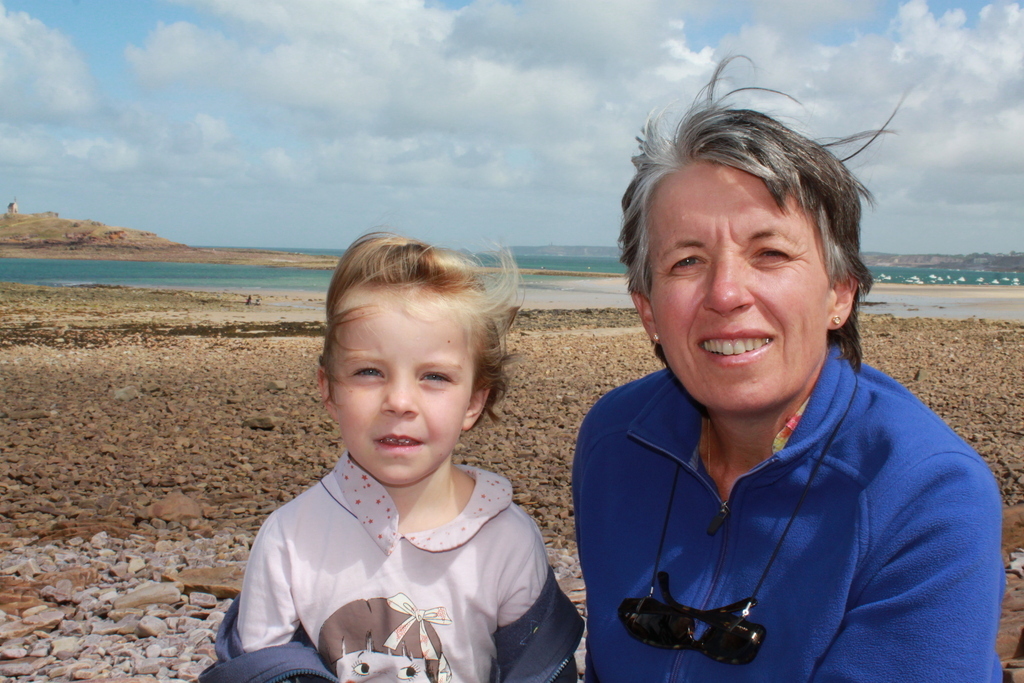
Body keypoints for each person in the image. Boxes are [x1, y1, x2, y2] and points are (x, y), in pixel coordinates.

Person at [572, 63, 1004, 681]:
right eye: (687, 260)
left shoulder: (926, 492)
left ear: (840, 294)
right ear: (647, 311)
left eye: (769, 253)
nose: (726, 292)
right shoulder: (615, 440)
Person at [202, 233, 582, 683]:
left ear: (475, 401)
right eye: (369, 372)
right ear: (329, 389)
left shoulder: (507, 540)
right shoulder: (290, 537)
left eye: (435, 376)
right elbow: (257, 670)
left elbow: (540, 669)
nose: (400, 401)